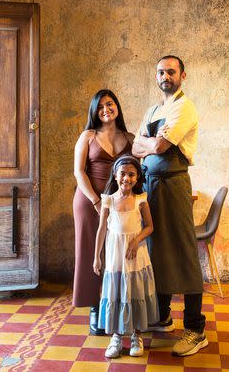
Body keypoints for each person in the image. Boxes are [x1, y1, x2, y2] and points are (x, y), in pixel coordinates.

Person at [132, 55, 207, 356]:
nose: (166, 76)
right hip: (151, 184)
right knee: (156, 251)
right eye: (161, 72)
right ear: (156, 77)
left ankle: (195, 328)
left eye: (171, 71)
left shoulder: (185, 107)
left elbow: (160, 147)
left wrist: (150, 142)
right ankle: (163, 316)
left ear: (182, 75)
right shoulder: (153, 109)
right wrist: (151, 141)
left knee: (184, 252)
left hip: (174, 183)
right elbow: (137, 147)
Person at [72, 89, 135, 335]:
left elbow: (139, 168)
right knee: (91, 253)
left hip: (119, 204)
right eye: (100, 107)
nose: (105, 110)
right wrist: (97, 202)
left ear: (116, 106)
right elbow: (79, 172)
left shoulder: (129, 137)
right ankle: (94, 308)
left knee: (117, 254)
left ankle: (117, 306)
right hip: (89, 202)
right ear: (94, 112)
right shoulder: (88, 136)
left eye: (109, 104)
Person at [93, 155, 158, 358]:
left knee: (135, 293)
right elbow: (102, 229)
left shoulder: (140, 200)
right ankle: (116, 337)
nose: (126, 179)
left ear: (137, 178)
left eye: (131, 174)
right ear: (115, 175)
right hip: (115, 259)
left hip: (136, 257)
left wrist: (136, 239)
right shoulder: (108, 201)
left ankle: (136, 336)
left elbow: (150, 227)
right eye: (123, 174)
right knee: (117, 294)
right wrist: (97, 257)